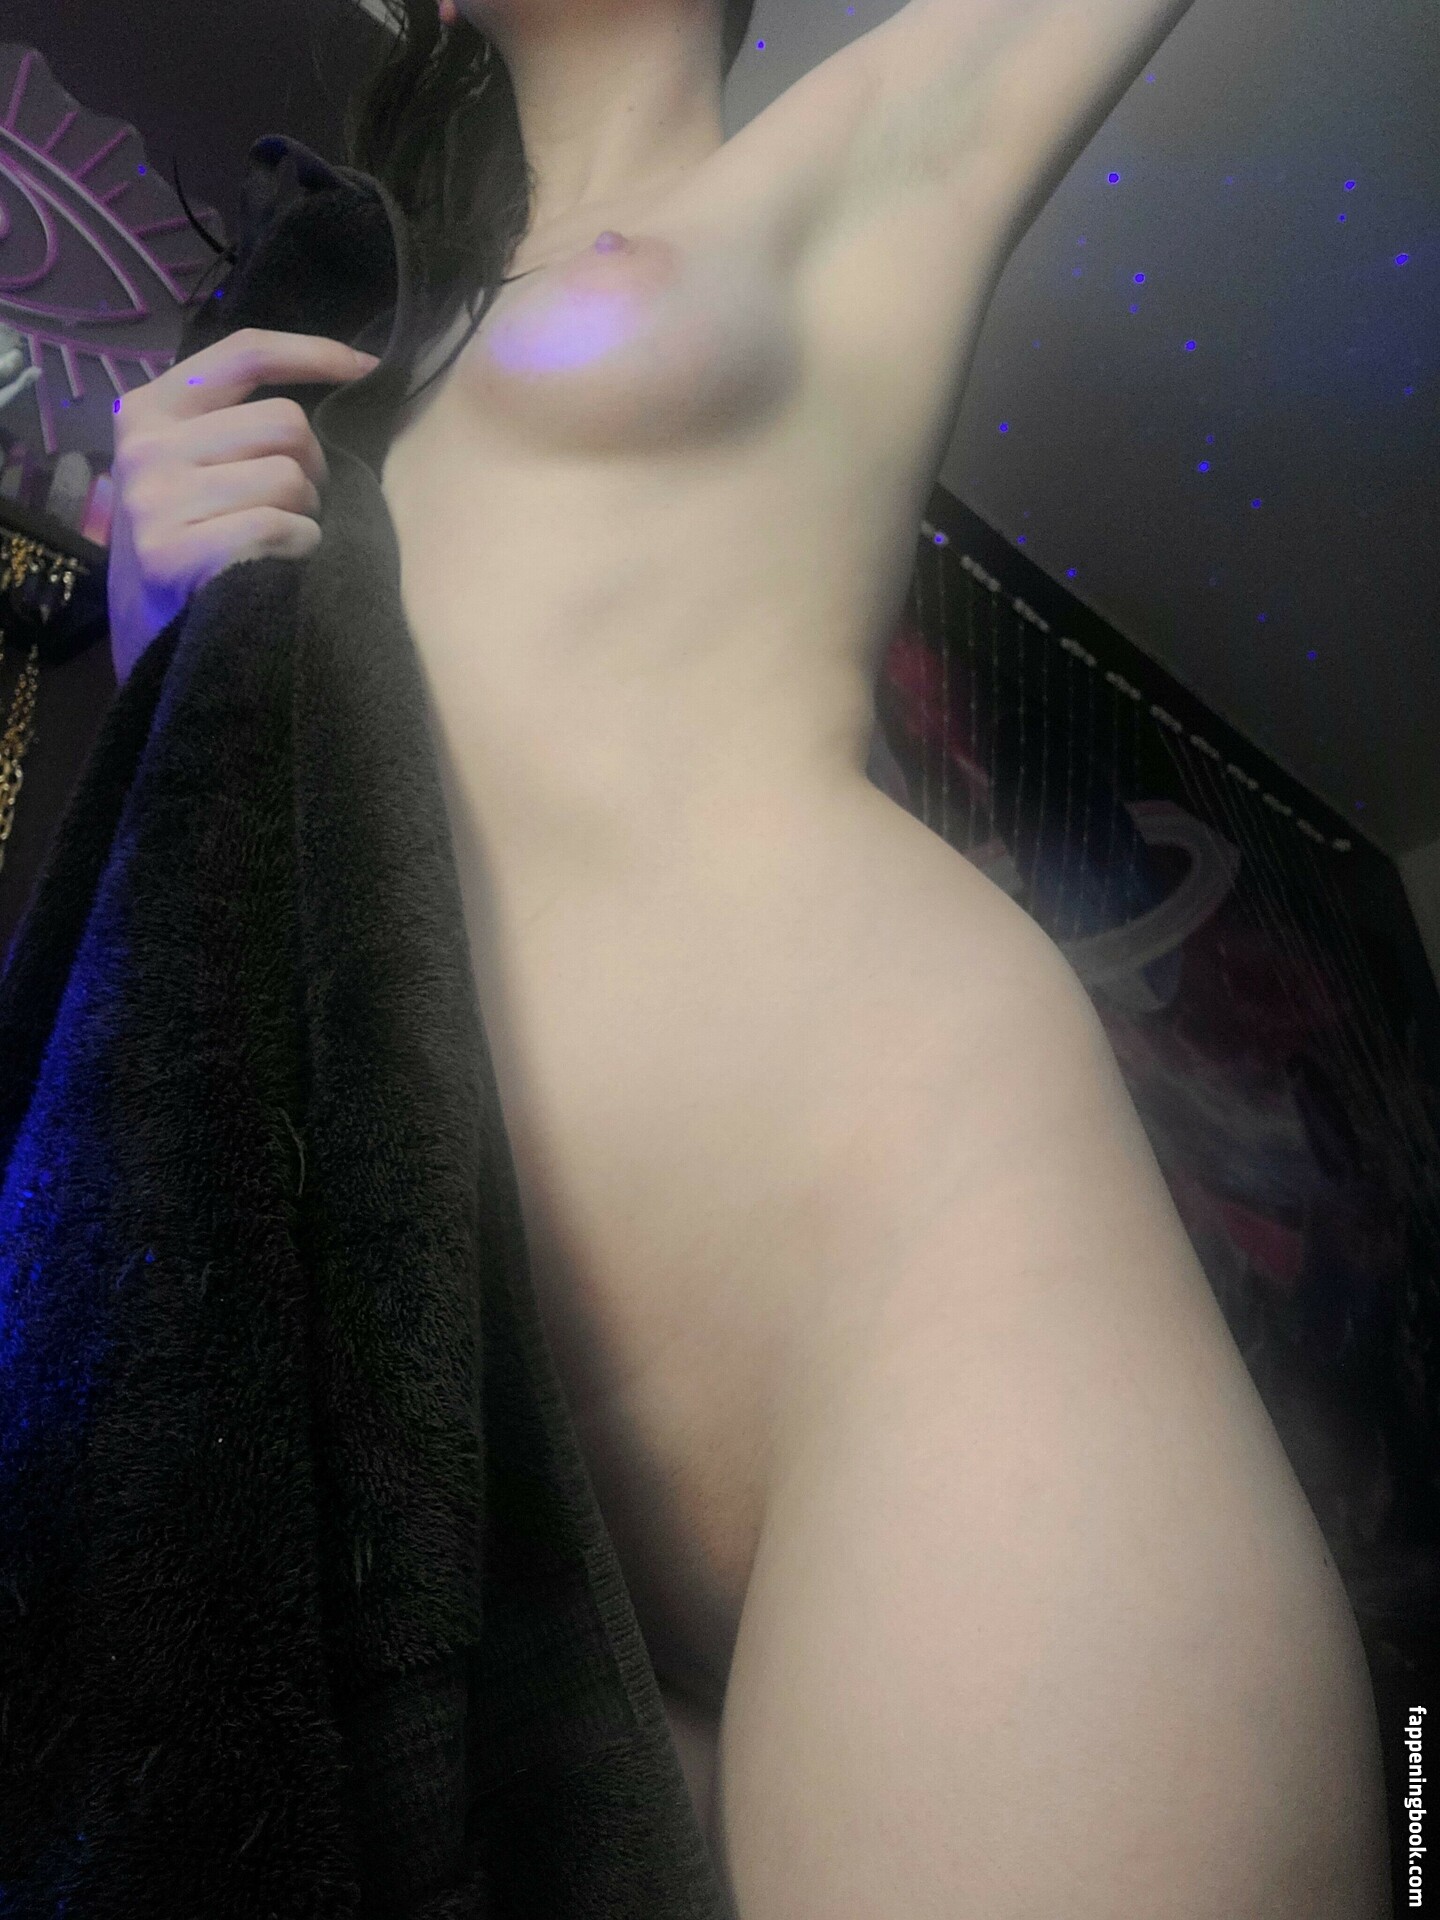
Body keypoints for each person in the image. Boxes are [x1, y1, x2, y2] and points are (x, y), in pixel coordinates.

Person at [105, 2, 1392, 1914]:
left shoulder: (849, 165)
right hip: (490, 1496)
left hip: (913, 1256)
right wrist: (164, 636)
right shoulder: (351, 333)